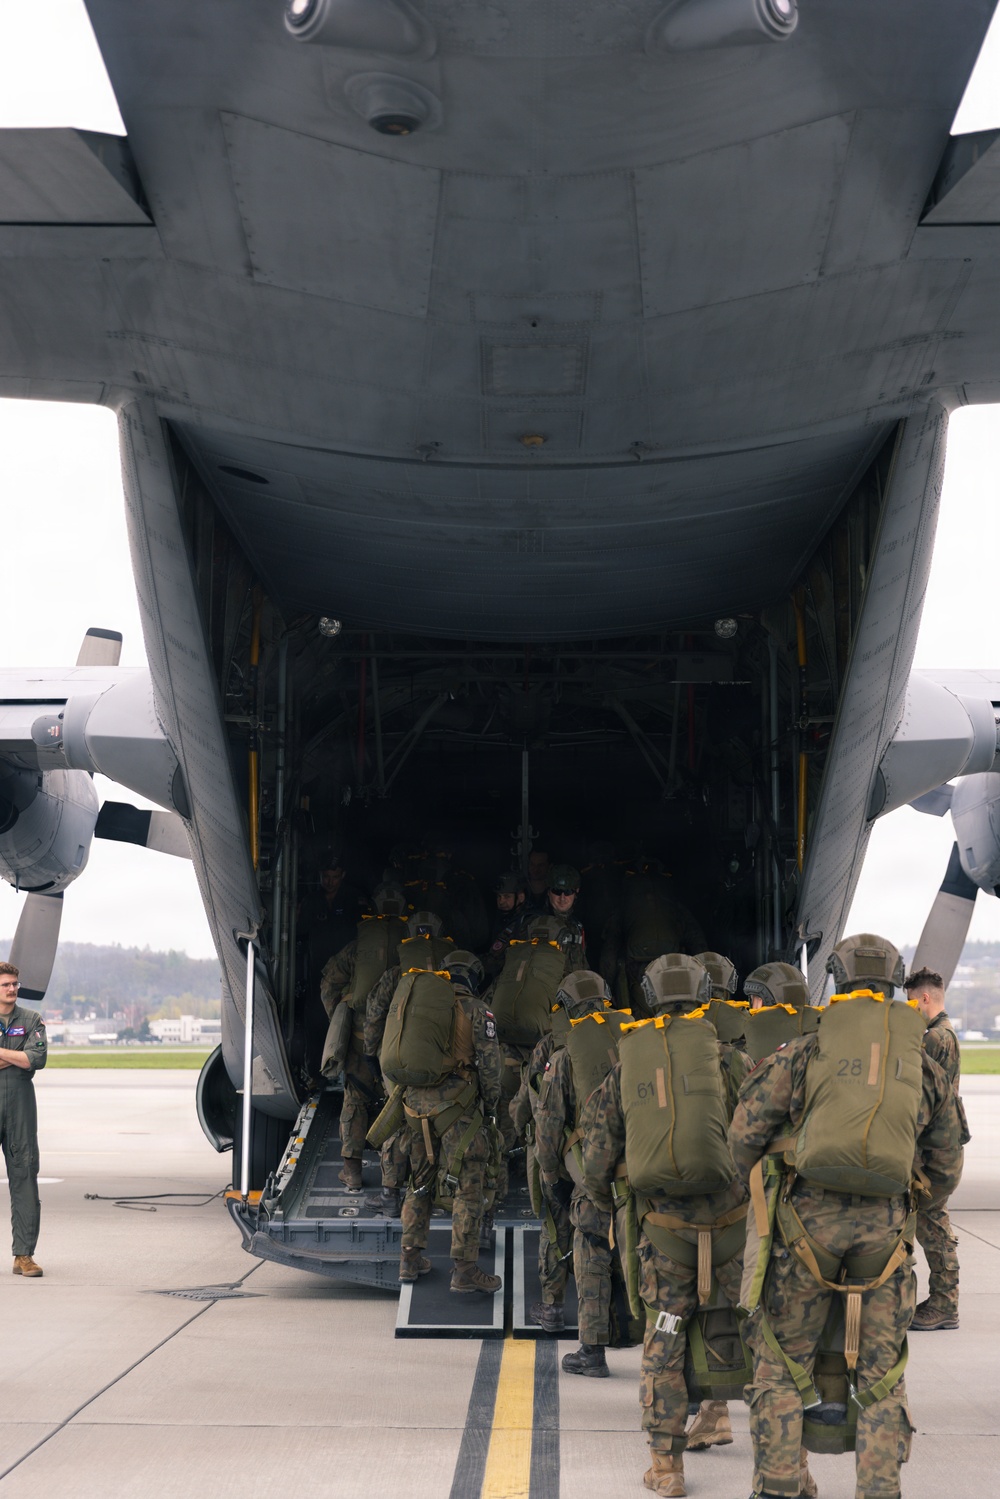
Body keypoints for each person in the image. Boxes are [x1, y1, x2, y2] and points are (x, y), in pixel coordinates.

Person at [730, 934, 965, 1499]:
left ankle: (782, 1488)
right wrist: (911, 1202)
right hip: (886, 1238)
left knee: (782, 1365)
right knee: (881, 1379)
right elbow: (948, 1160)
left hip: (805, 1228)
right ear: (893, 984)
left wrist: (769, 1180)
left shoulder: (808, 1050)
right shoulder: (923, 1059)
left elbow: (743, 1134)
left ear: (837, 980)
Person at [582, 955, 748, 1498]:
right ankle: (752, 1439)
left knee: (664, 1344)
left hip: (664, 1237)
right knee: (743, 1334)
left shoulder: (626, 1066)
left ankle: (667, 1468)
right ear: (706, 997)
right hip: (730, 1237)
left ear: (652, 997)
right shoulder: (732, 1063)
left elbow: (596, 1162)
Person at [384, 951, 504, 1294]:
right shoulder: (478, 1010)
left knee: (419, 1180)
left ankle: (410, 1258)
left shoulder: (421, 1009)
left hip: (415, 1108)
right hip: (457, 1109)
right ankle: (464, 1269)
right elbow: (491, 1067)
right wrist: (492, 1105)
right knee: (468, 1184)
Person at [533, 972, 626, 1375]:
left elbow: (550, 1126)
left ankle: (592, 1352)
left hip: (596, 1172)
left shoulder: (567, 1054)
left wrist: (553, 1178)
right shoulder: (639, 1039)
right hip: (646, 1164)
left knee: (592, 1250)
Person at [319, 881, 409, 1192]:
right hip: (397, 1040)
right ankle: (392, 1177)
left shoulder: (360, 947)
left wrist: (341, 1015)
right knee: (397, 1104)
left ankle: (352, 1171)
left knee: (355, 1099)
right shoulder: (412, 948)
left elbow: (329, 981)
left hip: (358, 1038)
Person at [902, 965, 965, 1331]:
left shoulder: (934, 1039)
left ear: (924, 997)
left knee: (932, 1227)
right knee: (933, 1224)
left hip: (933, 1152)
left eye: (911, 1001)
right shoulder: (946, 1034)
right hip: (943, 1146)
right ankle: (943, 1301)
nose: (910, 1008)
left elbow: (918, 1099)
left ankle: (944, 1304)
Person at [0, 962, 47, 1277]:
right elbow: (24, 1058)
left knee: (25, 1175)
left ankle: (24, 1256)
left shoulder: (32, 1019)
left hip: (19, 1105)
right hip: (15, 1085)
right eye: (6, 985)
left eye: (15, 984)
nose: (12, 989)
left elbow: (37, 1058)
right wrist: (16, 1057)